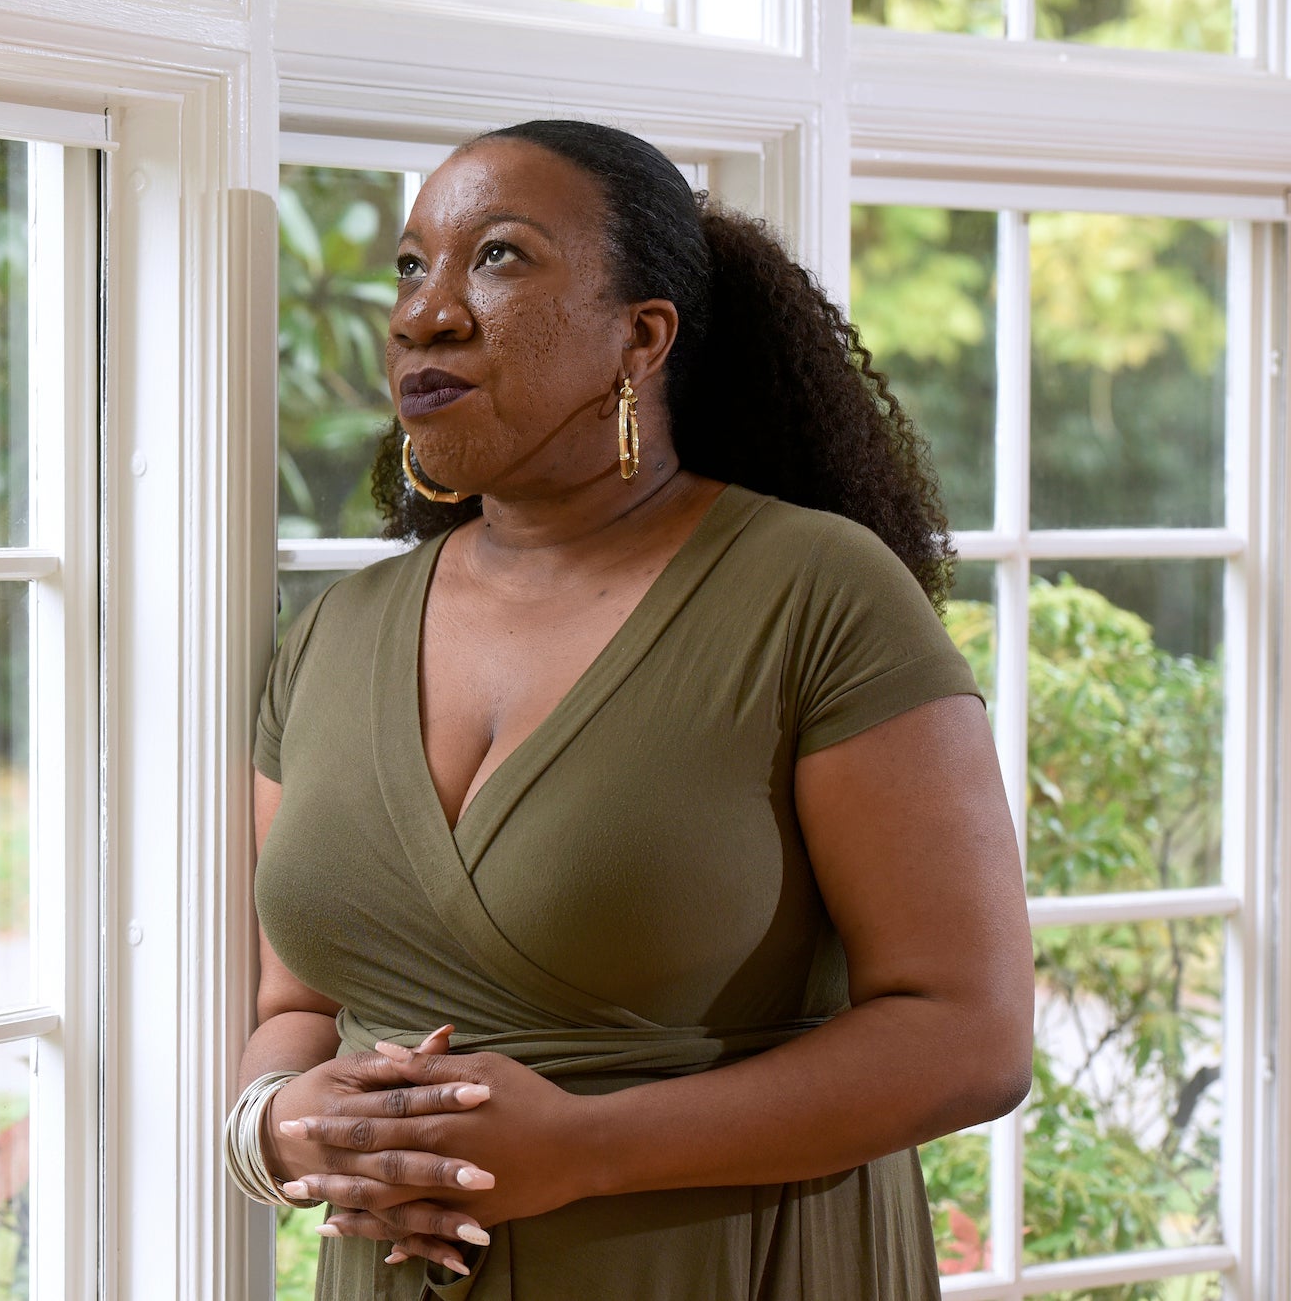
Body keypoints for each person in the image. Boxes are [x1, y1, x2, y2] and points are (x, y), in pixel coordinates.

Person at [229, 120, 1035, 1299]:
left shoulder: (812, 591)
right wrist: (277, 1131)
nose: (424, 314)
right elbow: (295, 1004)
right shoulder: (330, 636)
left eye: (497, 258)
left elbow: (967, 1039)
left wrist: (581, 1150)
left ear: (639, 337)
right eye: (410, 266)